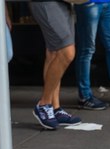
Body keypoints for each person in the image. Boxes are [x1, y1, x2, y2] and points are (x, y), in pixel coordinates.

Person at [30, 0, 81, 129]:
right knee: (67, 52)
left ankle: (54, 108)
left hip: (65, 3)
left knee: (54, 53)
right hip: (47, 2)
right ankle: (44, 104)